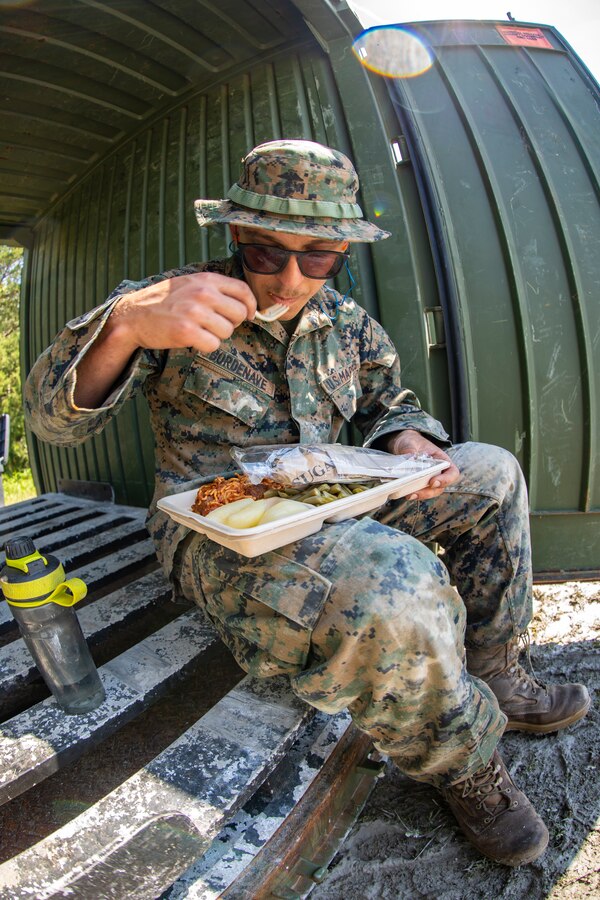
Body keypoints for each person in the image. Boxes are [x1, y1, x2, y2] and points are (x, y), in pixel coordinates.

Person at [25, 139, 590, 867]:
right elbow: (52, 421)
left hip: (328, 501)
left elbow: (390, 401)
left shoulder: (346, 323)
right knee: (394, 580)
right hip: (222, 531)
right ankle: (463, 762)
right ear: (235, 235)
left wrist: (411, 440)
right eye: (266, 253)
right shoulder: (173, 303)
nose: (291, 278)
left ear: (342, 251)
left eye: (318, 256)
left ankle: (495, 669)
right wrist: (125, 324)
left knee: (491, 471)